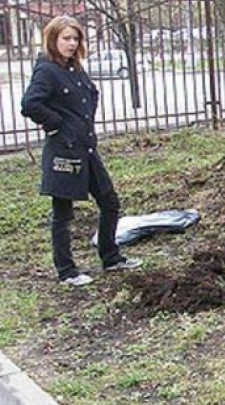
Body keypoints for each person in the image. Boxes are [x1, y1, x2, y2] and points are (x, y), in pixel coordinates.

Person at [21, 15, 142, 286]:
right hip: (64, 150)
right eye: (66, 38)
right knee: (62, 213)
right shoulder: (47, 70)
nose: (71, 44)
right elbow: (30, 104)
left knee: (109, 201)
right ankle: (67, 271)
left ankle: (110, 257)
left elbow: (90, 96)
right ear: (53, 39)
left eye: (75, 38)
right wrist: (58, 125)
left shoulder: (74, 68)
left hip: (86, 148)